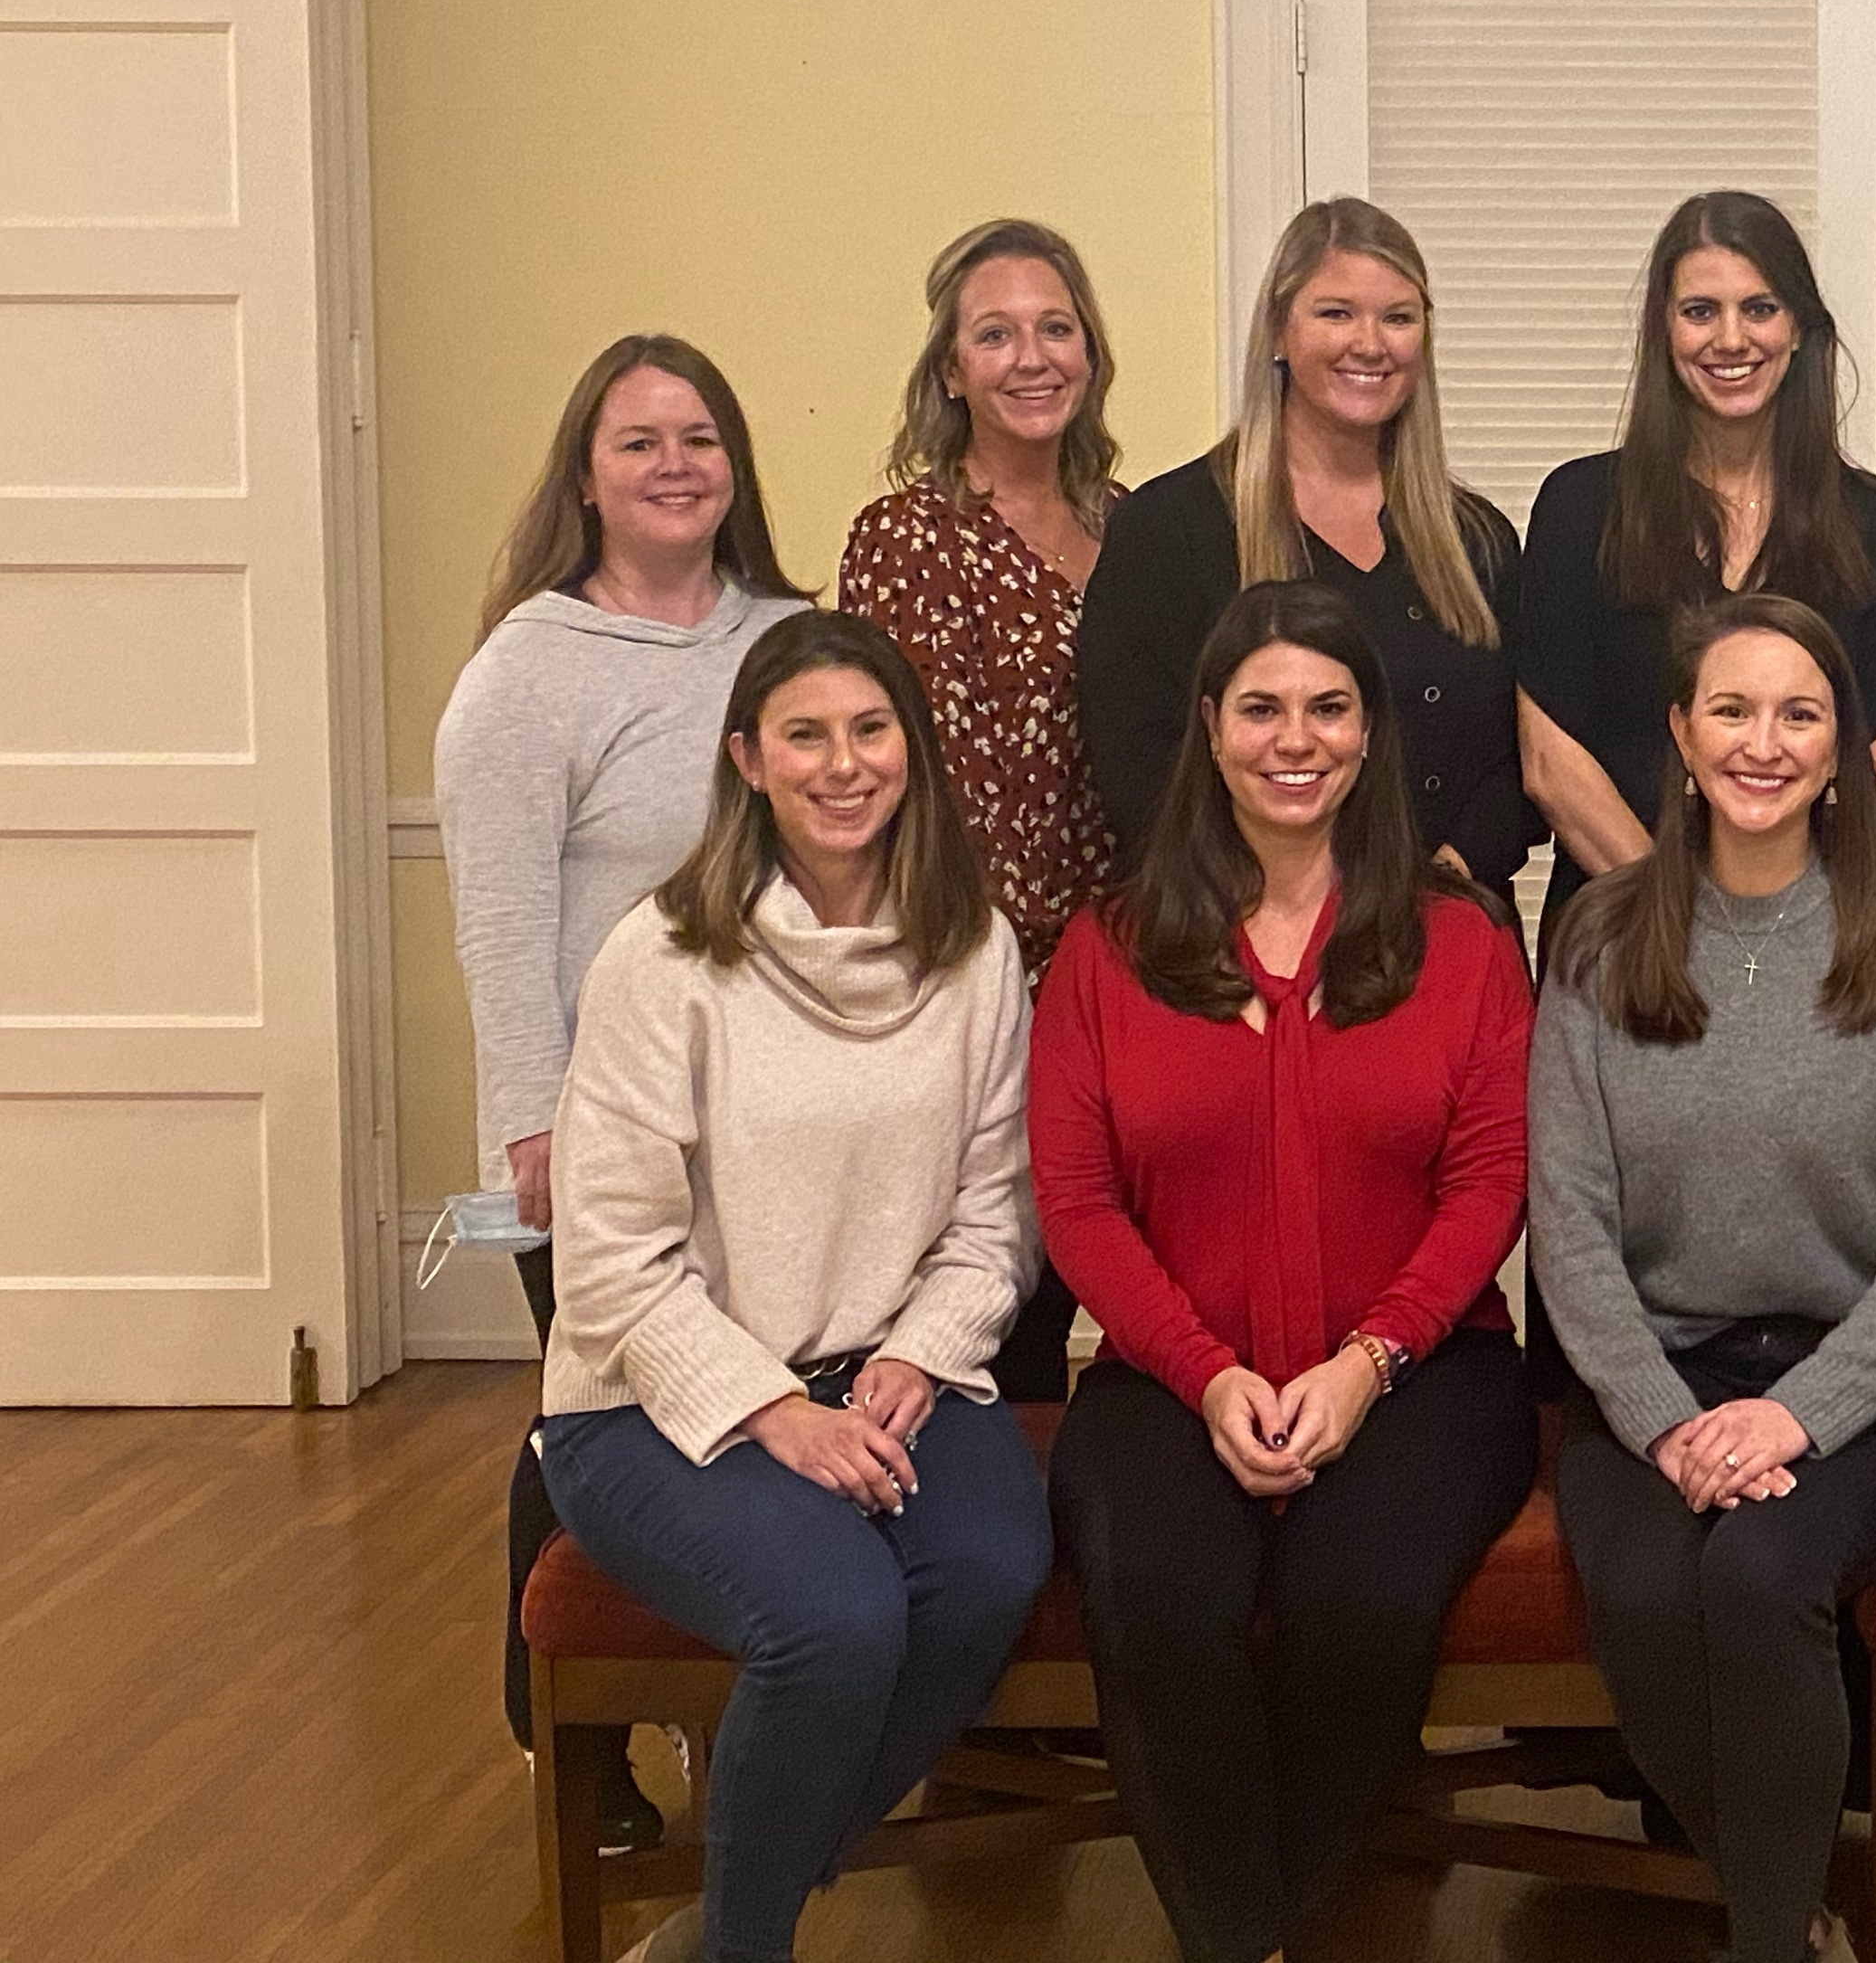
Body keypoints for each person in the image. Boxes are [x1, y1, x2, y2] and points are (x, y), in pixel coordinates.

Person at [1033, 579, 1536, 1963]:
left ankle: (1262, 1923)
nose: (1294, 739)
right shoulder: (1106, 950)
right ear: (1210, 727)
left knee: (1356, 1600)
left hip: (1424, 1370)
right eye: (1261, 708)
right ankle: (1246, 1938)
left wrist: (1368, 1364)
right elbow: (1077, 1204)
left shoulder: (1462, 944)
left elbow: (1490, 1184)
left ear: (1370, 735)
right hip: (1167, 1373)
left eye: (1329, 707)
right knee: (1156, 1597)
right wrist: (1206, 1376)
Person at [534, 611, 1046, 1963]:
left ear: (912, 749)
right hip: (654, 1402)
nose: (844, 764)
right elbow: (609, 1261)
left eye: (871, 730)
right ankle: (747, 1947)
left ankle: (729, 1914)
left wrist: (920, 1352)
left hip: (887, 1377)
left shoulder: (974, 949)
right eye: (805, 736)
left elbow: (996, 1214)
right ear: (748, 761)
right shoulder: (665, 957)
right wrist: (773, 1410)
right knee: (835, 1621)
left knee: (990, 1574)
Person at [1530, 594, 1876, 1963]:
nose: (1764, 743)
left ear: (1843, 748)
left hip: (1866, 1383)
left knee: (1759, 1574)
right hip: (1655, 1377)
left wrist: (1797, 1417)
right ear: (1680, 736)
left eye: (1801, 714)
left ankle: (1770, 1939)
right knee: (1643, 1594)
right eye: (1731, 710)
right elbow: (1567, 1221)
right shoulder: (1600, 942)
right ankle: (1785, 1903)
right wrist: (1664, 1422)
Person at [434, 332, 810, 1839]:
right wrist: (531, 1123)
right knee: (599, 1425)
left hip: (778, 1123)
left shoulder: (791, 638)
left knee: (742, 1426)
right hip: (602, 1131)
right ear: (585, 476)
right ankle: (569, 1733)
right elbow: (499, 918)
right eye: (639, 440)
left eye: (700, 437)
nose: (675, 464)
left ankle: (736, 1712)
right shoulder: (528, 669)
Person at [838, 215, 1126, 1401]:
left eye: (1056, 328)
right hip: (963, 980)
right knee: (990, 1310)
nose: (1032, 357)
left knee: (1120, 1281)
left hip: (1125, 973)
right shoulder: (904, 540)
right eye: (996, 335)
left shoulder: (1140, 527)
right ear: (951, 370)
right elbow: (885, 783)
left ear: (1090, 352)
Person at [1078, 197, 1534, 907]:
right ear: (1278, 331)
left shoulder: (1478, 540)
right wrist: (1284, 911)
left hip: (1448, 928)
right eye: (1336, 313)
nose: (1370, 344)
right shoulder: (1167, 530)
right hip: (1238, 930)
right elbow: (1138, 771)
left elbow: (1522, 759)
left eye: (1398, 318)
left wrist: (1443, 884)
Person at [1514, 192, 1876, 944]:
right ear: (1664, 330)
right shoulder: (1580, 508)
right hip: (1624, 933)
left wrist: (1774, 922)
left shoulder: (1868, 520)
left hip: (1811, 938)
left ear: (1798, 329)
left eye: (1759, 309)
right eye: (1700, 311)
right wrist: (1690, 928)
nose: (1731, 339)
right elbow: (1550, 760)